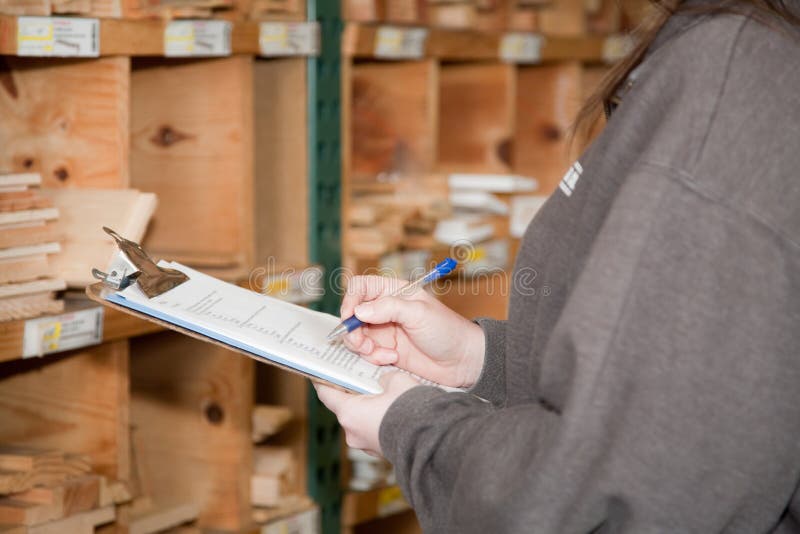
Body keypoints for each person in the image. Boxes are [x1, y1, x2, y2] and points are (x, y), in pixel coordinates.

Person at [315, 0, 800, 531]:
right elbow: (692, 382)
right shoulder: (746, 57)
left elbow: (602, 494)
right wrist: (479, 363)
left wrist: (409, 427)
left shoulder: (732, 86)